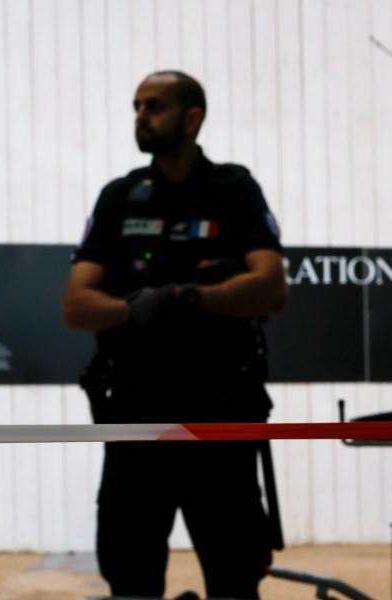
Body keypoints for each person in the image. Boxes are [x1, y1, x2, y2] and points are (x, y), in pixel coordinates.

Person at [61, 71, 288, 599]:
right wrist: (133, 310)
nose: (140, 116)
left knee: (235, 579)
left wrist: (191, 298)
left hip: (222, 416)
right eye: (136, 105)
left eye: (154, 106)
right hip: (137, 420)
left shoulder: (235, 190)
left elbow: (271, 288)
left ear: (192, 118)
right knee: (131, 580)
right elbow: (76, 305)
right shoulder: (119, 198)